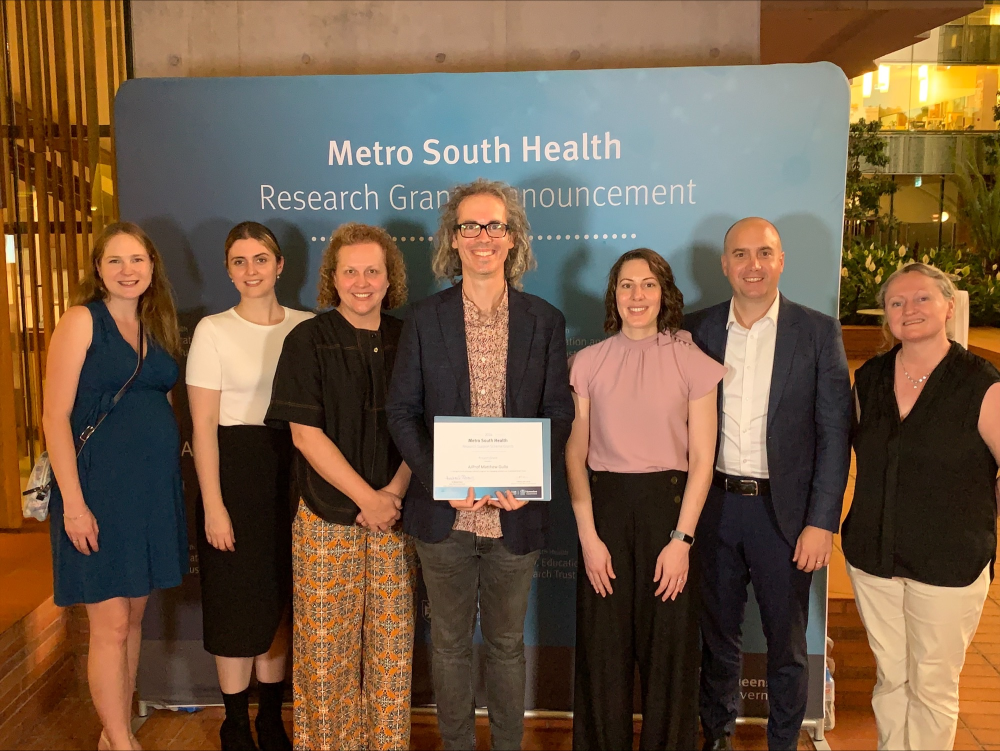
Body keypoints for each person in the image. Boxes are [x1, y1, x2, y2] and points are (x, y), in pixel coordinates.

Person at [386, 178, 574, 751]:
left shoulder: (544, 319)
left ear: (512, 238)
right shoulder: (424, 318)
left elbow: (558, 412)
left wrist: (530, 481)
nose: (483, 237)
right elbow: (401, 412)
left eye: (494, 225)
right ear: (454, 238)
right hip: (445, 515)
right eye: (470, 226)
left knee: (507, 645)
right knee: (446, 645)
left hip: (515, 513)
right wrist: (443, 483)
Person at [684, 217, 852, 751]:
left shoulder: (818, 332)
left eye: (763, 253)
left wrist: (821, 522)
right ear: (724, 265)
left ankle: (784, 742)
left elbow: (835, 434)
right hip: (714, 510)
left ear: (781, 261)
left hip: (785, 517)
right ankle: (717, 738)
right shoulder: (696, 331)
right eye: (740, 254)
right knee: (717, 640)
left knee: (786, 644)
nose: (752, 265)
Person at [567, 248, 726, 749]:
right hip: (604, 514)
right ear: (613, 295)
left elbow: (703, 458)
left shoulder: (693, 362)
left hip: (671, 515)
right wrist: (588, 539)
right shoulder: (587, 363)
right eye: (626, 285)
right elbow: (575, 455)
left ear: (664, 293)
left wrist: (682, 540)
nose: (637, 295)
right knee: (603, 655)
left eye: (648, 284)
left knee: (670, 656)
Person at [265, 223, 415, 751]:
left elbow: (421, 428)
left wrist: (392, 494)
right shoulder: (308, 339)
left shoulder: (408, 337)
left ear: (389, 277)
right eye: (350, 271)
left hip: (397, 519)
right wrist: (368, 499)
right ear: (333, 278)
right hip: (326, 516)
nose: (362, 281)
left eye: (373, 270)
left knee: (391, 656)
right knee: (325, 658)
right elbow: (305, 436)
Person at [842, 262, 1000, 751]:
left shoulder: (982, 383)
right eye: (897, 302)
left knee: (932, 686)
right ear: (886, 316)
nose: (910, 310)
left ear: (949, 307)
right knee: (891, 678)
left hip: (949, 562)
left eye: (923, 299)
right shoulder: (868, 378)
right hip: (873, 557)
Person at [42, 222, 187, 751]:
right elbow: (54, 416)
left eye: (138, 260)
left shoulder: (154, 327)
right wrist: (75, 505)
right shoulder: (82, 321)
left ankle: (114, 733)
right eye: (116, 261)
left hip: (149, 494)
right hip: (97, 494)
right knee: (110, 625)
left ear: (152, 268)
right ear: (98, 271)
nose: (128, 271)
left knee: (134, 620)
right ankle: (124, 745)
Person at [187, 222, 313, 751]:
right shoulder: (212, 331)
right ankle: (234, 721)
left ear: (280, 265)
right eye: (239, 261)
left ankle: (269, 717)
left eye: (260, 259)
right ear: (227, 270)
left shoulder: (309, 327)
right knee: (237, 601)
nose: (251, 270)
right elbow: (203, 429)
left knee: (282, 599)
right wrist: (214, 506)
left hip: (298, 471)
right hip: (234, 475)